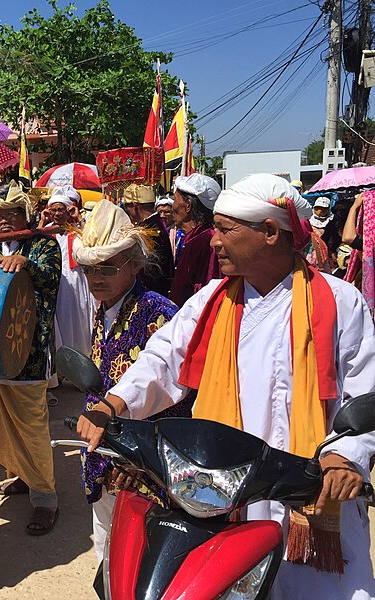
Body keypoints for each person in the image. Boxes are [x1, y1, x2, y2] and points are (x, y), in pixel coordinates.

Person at [78, 174, 375, 599]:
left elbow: (363, 394)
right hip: (220, 490)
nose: (213, 241)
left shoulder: (340, 302)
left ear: (270, 232)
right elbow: (164, 358)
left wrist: (346, 457)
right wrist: (114, 402)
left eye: (225, 229)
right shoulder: (211, 301)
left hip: (305, 489)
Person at [71, 198, 187, 563]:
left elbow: (175, 396)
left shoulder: (160, 314)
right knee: (106, 551)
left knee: (139, 557)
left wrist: (136, 462)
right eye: (89, 271)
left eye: (107, 267)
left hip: (140, 465)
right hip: (101, 452)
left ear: (135, 264)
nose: (97, 278)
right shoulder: (103, 309)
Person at [0, 181, 62, 536]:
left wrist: (26, 262)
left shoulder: (44, 243)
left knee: (31, 425)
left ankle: (46, 498)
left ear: (25, 214)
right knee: (6, 421)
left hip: (29, 349)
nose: (2, 221)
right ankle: (22, 476)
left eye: (9, 214)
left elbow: (50, 280)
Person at [43, 187, 94, 358]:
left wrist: (78, 217)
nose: (57, 214)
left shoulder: (77, 229)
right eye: (53, 210)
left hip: (76, 282)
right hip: (55, 283)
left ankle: (80, 360)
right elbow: (33, 244)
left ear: (67, 210)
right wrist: (42, 222)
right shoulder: (46, 231)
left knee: (77, 321)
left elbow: (91, 241)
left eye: (60, 209)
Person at [168, 173, 222, 306]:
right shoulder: (193, 239)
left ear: (188, 205)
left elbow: (205, 294)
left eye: (175, 200)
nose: (172, 207)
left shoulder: (206, 241)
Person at [121, 184, 175, 296]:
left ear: (135, 206)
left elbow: (146, 272)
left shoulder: (149, 230)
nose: (126, 211)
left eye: (127, 206)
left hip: (151, 294)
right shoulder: (154, 224)